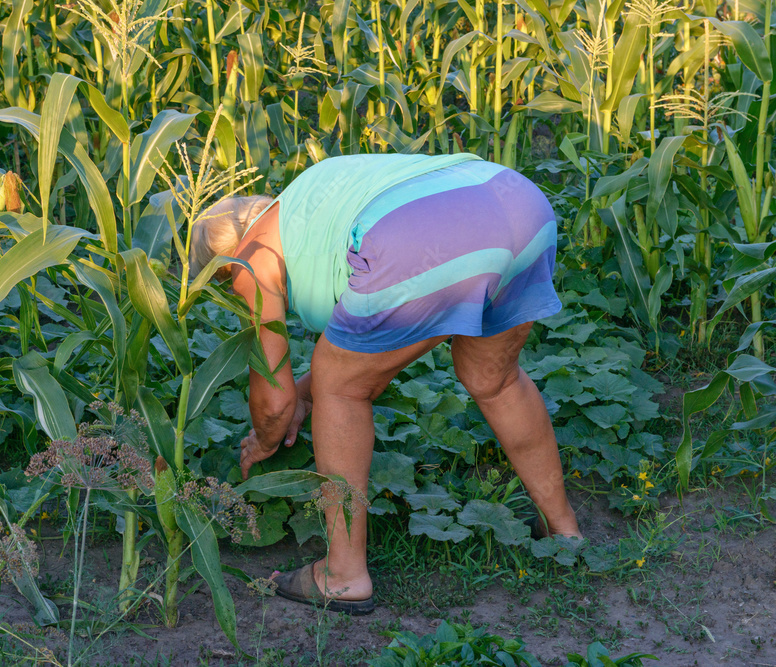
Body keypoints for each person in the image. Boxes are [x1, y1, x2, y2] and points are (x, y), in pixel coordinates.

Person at [190, 153, 583, 615]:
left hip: (424, 234)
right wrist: (304, 392)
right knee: (494, 381)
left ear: (223, 262)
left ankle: (343, 576)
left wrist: (266, 437)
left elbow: (275, 403)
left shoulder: (251, 255)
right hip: (518, 206)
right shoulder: (309, 201)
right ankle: (564, 533)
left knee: (342, 390)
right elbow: (364, 348)